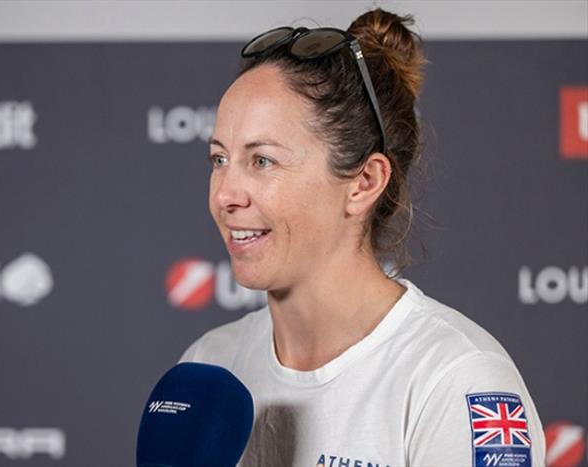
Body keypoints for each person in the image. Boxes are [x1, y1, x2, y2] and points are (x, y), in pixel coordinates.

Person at [180, 8, 544, 467]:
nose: (226, 194)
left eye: (262, 161)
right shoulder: (206, 367)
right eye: (219, 160)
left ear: (364, 183)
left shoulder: (459, 380)